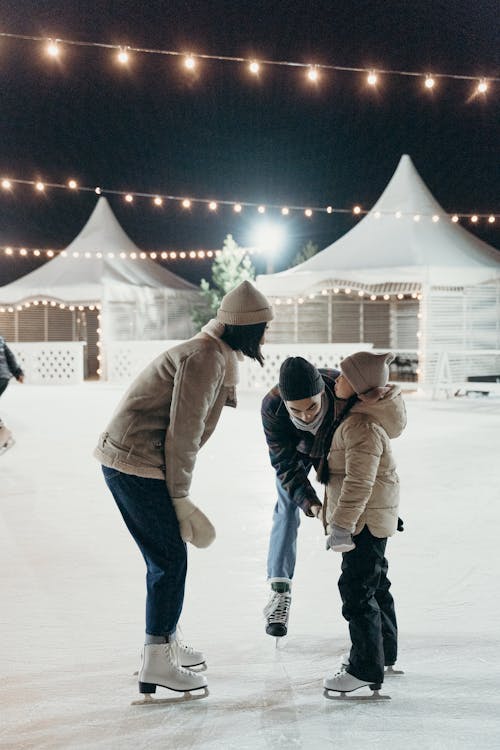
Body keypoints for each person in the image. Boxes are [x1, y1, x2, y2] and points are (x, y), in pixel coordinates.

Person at [94, 280, 273, 700]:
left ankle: (167, 642)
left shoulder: (213, 351)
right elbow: (184, 433)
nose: (267, 336)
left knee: (168, 556)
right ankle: (157, 658)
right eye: (264, 328)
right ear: (248, 329)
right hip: (134, 463)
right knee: (169, 560)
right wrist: (179, 494)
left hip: (135, 459)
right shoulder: (205, 357)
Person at [322, 351, 406, 696]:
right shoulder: (362, 417)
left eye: (343, 377)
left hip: (362, 522)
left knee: (357, 592)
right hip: (372, 517)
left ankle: (365, 667)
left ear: (358, 386)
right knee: (376, 584)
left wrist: (341, 525)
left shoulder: (360, 426)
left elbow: (360, 482)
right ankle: (381, 651)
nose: (336, 382)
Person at [262, 356, 352, 638]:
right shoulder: (273, 406)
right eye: (296, 410)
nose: (306, 415)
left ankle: (363, 583)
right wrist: (311, 504)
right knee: (288, 507)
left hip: (334, 447)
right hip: (296, 452)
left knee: (350, 502)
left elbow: (366, 451)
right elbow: (284, 464)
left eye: (312, 406)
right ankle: (279, 592)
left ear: (322, 394)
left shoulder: (342, 391)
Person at [0, 334, 25, 455]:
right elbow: (9, 356)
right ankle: (4, 437)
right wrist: (18, 372)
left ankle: (4, 435)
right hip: (4, 377)